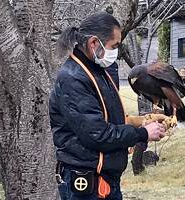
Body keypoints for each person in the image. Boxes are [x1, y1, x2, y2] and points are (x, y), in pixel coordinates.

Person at [49, 12, 166, 200]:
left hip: (106, 180)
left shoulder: (97, 71)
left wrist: (141, 121)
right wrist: (143, 134)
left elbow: (108, 117)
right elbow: (97, 135)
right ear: (94, 43)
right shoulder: (73, 78)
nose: (116, 52)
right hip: (86, 184)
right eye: (114, 46)